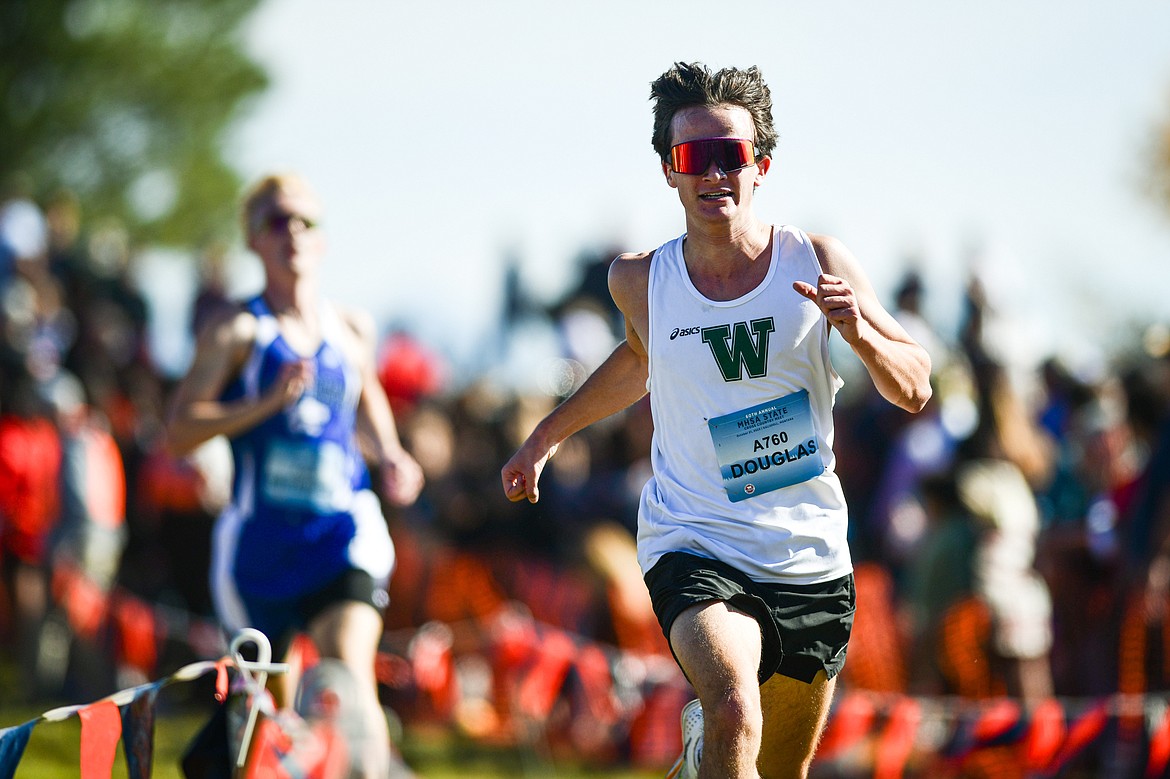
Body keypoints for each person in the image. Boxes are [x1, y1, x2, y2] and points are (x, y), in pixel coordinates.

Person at [501, 62, 932, 778]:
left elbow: (915, 387)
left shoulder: (816, 260)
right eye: (691, 157)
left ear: (761, 164)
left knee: (778, 767)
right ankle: (715, 736)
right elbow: (638, 362)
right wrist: (545, 437)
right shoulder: (639, 280)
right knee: (734, 706)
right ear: (669, 171)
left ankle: (708, 757)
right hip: (695, 539)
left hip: (809, 556)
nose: (712, 173)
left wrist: (857, 333)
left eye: (728, 154)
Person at [165, 173, 423, 778]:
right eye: (276, 222)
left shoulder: (352, 330)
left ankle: (370, 767)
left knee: (344, 674)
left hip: (341, 534)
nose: (294, 233)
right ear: (253, 241)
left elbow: (370, 404)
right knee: (261, 719)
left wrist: (391, 456)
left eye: (305, 221)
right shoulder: (236, 331)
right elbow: (178, 429)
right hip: (259, 550)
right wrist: (261, 405)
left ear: (323, 239)